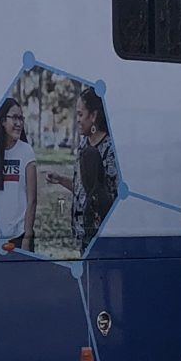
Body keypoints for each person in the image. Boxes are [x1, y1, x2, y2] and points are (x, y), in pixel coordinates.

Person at [48, 85, 119, 247]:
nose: (77, 119)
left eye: (80, 114)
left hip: (100, 237)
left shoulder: (110, 149)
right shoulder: (83, 144)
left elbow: (111, 197)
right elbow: (83, 189)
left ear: (93, 115)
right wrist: (60, 180)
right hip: (82, 236)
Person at [0, 98, 39, 252]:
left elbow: (32, 200)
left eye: (21, 118)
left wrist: (27, 238)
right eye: (14, 117)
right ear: (2, 121)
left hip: (20, 236)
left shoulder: (26, 151)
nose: (19, 123)